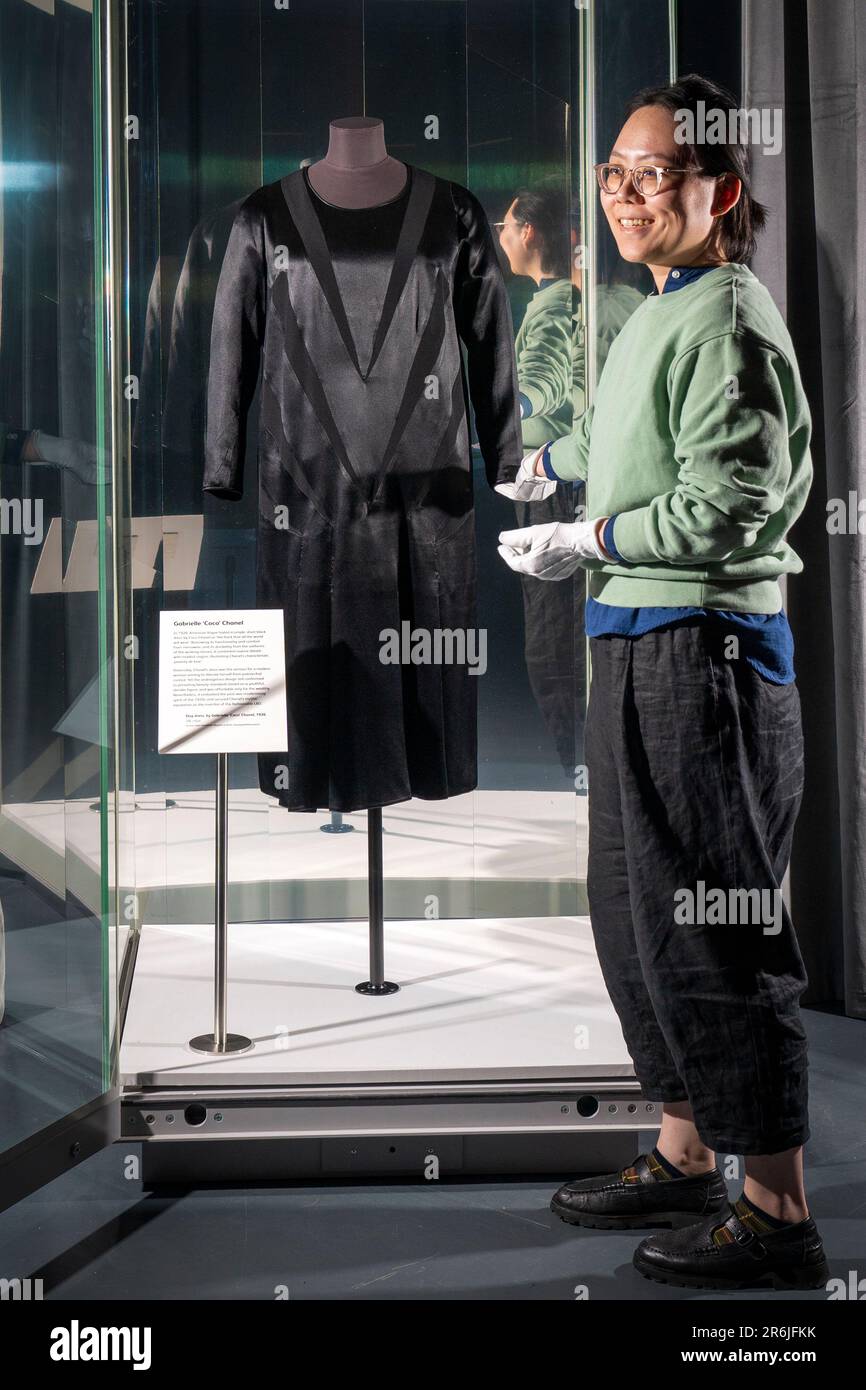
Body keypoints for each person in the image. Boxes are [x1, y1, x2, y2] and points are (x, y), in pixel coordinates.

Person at [497, 74, 829, 1292]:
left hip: (706, 653)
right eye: (615, 174)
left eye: (656, 175)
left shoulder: (730, 319)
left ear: (719, 192)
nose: (627, 195)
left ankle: (775, 1206)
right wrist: (549, 465)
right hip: (635, 643)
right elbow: (623, 435)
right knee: (633, 911)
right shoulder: (656, 309)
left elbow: (728, 498)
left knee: (713, 926)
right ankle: (685, 1149)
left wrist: (590, 538)